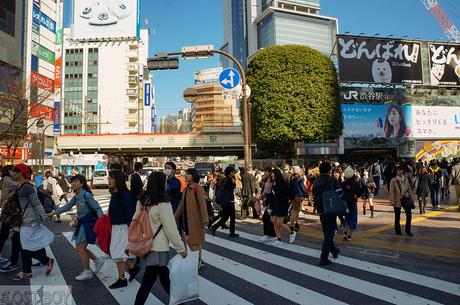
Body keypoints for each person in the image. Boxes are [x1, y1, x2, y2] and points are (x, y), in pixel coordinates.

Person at [134, 172, 187, 305]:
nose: (166, 184)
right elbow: (171, 229)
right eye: (164, 182)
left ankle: (179, 302)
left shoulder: (142, 201)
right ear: (161, 184)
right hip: (158, 248)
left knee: (164, 279)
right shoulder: (163, 204)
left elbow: (135, 221)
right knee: (147, 283)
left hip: (146, 245)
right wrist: (181, 248)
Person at [48, 175, 105, 280]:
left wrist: (101, 222)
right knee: (79, 248)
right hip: (82, 224)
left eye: (76, 182)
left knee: (81, 248)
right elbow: (67, 206)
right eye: (72, 182)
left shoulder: (86, 195)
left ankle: (87, 271)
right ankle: (97, 260)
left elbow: (97, 208)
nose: (73, 184)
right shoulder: (77, 196)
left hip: (89, 224)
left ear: (82, 184)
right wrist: (54, 213)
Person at [10, 164, 54, 280]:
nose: (12, 173)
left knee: (25, 247)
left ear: (20, 173)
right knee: (26, 246)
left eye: (15, 171)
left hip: (29, 221)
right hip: (25, 220)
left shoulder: (27, 187)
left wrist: (44, 217)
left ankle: (46, 261)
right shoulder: (21, 186)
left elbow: (36, 203)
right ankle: (27, 271)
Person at [107, 170, 138, 289]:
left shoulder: (124, 194)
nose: (108, 181)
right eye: (108, 178)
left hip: (123, 227)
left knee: (117, 253)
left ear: (118, 180)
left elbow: (130, 212)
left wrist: (131, 229)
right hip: (116, 226)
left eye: (111, 179)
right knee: (117, 252)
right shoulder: (115, 193)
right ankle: (132, 268)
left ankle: (122, 279)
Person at [175, 168, 209, 269]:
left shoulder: (198, 188)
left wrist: (205, 220)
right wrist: (174, 217)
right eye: (186, 174)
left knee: (194, 241)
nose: (186, 176)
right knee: (194, 241)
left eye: (188, 174)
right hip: (187, 219)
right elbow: (181, 205)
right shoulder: (186, 189)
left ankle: (197, 262)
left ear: (193, 176)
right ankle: (198, 260)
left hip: (196, 220)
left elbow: (203, 205)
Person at [312, 162, 341, 266]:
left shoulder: (316, 181)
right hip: (330, 208)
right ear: (329, 170)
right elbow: (339, 193)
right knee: (330, 233)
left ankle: (333, 250)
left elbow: (314, 194)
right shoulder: (332, 180)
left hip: (320, 209)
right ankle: (323, 257)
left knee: (326, 231)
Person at [0, 165, 20, 272]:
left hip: (8, 211)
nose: (15, 172)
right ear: (9, 171)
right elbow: (19, 185)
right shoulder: (8, 180)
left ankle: (17, 257)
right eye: (14, 170)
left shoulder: (6, 180)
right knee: (7, 235)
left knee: (6, 234)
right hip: (9, 212)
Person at [209, 166, 239, 238]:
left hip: (224, 201)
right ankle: (232, 232)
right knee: (232, 217)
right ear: (230, 172)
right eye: (232, 172)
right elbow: (232, 187)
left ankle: (214, 227)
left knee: (225, 217)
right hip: (229, 201)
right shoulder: (229, 180)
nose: (233, 173)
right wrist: (234, 182)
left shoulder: (224, 179)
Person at [271, 168, 296, 245]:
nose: (271, 175)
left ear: (277, 174)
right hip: (275, 204)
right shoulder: (274, 183)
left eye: (273, 174)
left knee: (279, 223)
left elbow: (284, 195)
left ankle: (291, 233)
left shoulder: (282, 183)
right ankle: (279, 239)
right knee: (273, 221)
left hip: (282, 204)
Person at [389, 166, 413, 237]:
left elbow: (409, 189)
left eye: (401, 170)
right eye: (398, 170)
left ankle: (408, 231)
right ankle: (398, 231)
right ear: (396, 172)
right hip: (397, 200)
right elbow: (391, 191)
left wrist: (411, 198)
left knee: (409, 215)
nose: (400, 172)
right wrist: (392, 201)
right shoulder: (393, 180)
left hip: (406, 199)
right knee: (397, 217)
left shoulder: (406, 179)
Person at [341, 167, 363, 241]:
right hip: (353, 203)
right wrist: (355, 196)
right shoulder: (355, 184)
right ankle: (349, 235)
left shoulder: (342, 183)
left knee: (346, 218)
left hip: (345, 204)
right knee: (353, 219)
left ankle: (344, 233)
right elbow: (360, 193)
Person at [258, 167, 277, 243]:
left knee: (269, 217)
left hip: (272, 200)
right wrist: (260, 196)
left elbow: (273, 191)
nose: (264, 173)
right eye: (264, 171)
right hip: (267, 199)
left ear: (270, 172)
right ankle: (267, 234)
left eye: (266, 171)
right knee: (266, 217)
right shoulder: (265, 180)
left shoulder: (273, 181)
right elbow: (265, 190)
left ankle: (273, 234)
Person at [289, 166, 307, 232]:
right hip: (298, 196)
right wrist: (305, 195)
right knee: (295, 211)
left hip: (293, 196)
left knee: (295, 210)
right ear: (298, 171)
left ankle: (296, 223)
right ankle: (292, 225)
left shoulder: (292, 178)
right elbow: (303, 188)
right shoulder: (300, 179)